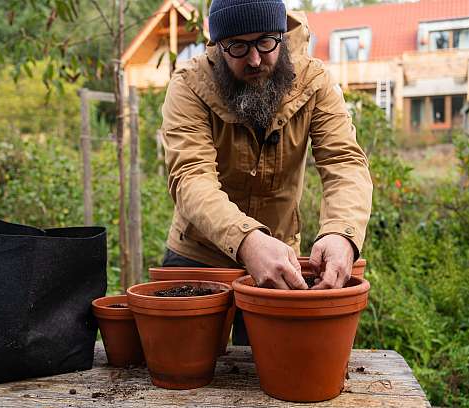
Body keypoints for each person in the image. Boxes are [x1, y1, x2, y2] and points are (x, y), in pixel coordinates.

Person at [159, 0, 372, 343]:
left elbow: (343, 162)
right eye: (239, 47)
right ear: (218, 45)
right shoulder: (189, 85)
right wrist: (246, 240)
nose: (255, 59)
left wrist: (341, 233)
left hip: (281, 254)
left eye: (265, 42)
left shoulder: (314, 81)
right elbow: (191, 177)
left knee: (274, 366)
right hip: (199, 253)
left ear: (282, 36)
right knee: (183, 367)